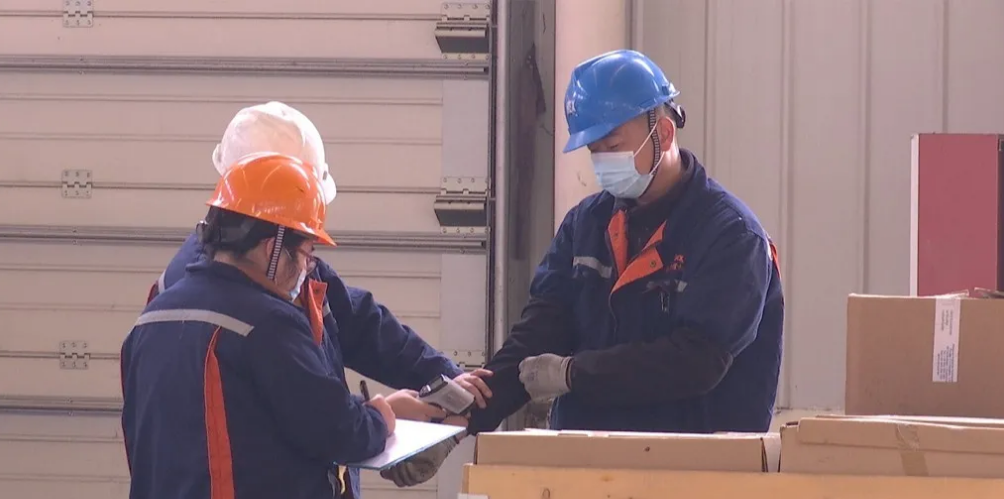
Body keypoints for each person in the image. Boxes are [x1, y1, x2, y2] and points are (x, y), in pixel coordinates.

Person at [379, 48, 785, 487]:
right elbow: (536, 338)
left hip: (695, 477)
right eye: (595, 150)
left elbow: (697, 361)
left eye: (613, 146)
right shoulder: (587, 225)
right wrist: (455, 420)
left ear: (664, 133)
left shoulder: (731, 236)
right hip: (592, 473)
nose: (604, 161)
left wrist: (574, 374)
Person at [140, 102, 492, 497]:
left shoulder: (160, 311)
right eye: (306, 248)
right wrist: (381, 417)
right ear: (273, 241)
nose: (309, 264)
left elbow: (360, 324)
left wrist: (443, 379)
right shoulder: (262, 319)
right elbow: (331, 426)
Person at [122, 153, 405, 498]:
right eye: (306, 255)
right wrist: (380, 417)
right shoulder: (268, 324)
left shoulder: (151, 319)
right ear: (273, 249)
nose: (307, 270)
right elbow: (339, 431)